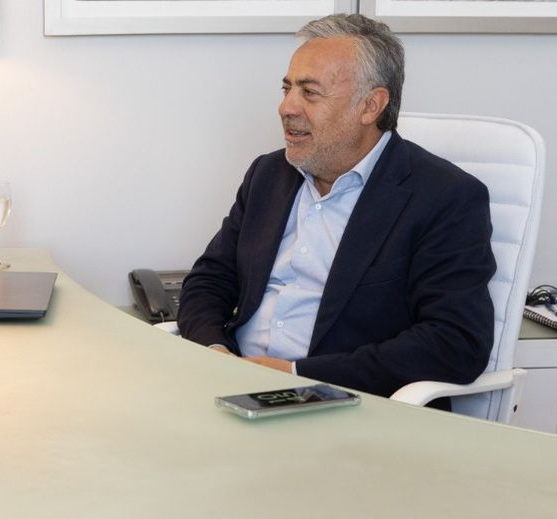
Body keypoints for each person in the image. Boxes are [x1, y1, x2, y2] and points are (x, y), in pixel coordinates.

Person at [177, 13, 496, 400]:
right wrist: (216, 352)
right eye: (287, 88)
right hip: (233, 387)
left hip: (341, 404)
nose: (286, 108)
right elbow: (210, 279)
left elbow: (456, 341)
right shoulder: (269, 174)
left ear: (371, 105)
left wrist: (294, 373)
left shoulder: (445, 197)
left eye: (309, 93)